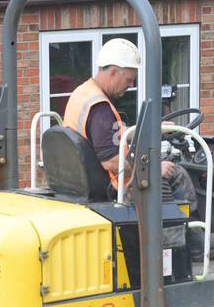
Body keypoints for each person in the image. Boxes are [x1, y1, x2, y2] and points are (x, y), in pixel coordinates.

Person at [63, 37, 177, 191]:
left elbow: (113, 134)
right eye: (129, 80)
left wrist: (151, 130)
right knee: (179, 175)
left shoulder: (84, 92)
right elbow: (111, 162)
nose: (131, 85)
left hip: (84, 181)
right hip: (116, 189)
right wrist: (153, 169)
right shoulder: (100, 108)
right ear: (113, 72)